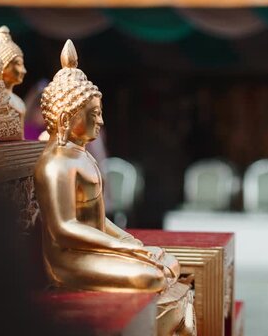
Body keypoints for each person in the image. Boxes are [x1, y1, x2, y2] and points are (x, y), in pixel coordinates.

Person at [33, 40, 194, 335]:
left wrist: (133, 243)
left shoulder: (82, 156)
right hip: (68, 259)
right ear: (67, 118)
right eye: (93, 115)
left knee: (168, 263)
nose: (101, 121)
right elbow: (65, 228)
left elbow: (98, 220)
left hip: (95, 249)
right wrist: (121, 247)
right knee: (150, 277)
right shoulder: (55, 164)